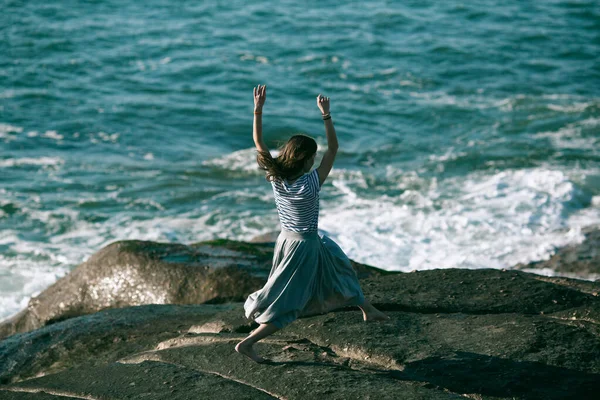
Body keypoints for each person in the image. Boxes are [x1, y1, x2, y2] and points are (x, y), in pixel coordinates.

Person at [235, 84, 389, 363]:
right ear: (306, 159)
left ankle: (368, 309)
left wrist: (258, 108)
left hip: (288, 240)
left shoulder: (276, 177)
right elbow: (335, 148)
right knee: (289, 304)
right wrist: (326, 115)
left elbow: (258, 142)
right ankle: (249, 342)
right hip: (303, 247)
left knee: (339, 265)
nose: (317, 160)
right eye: (314, 157)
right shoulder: (311, 182)